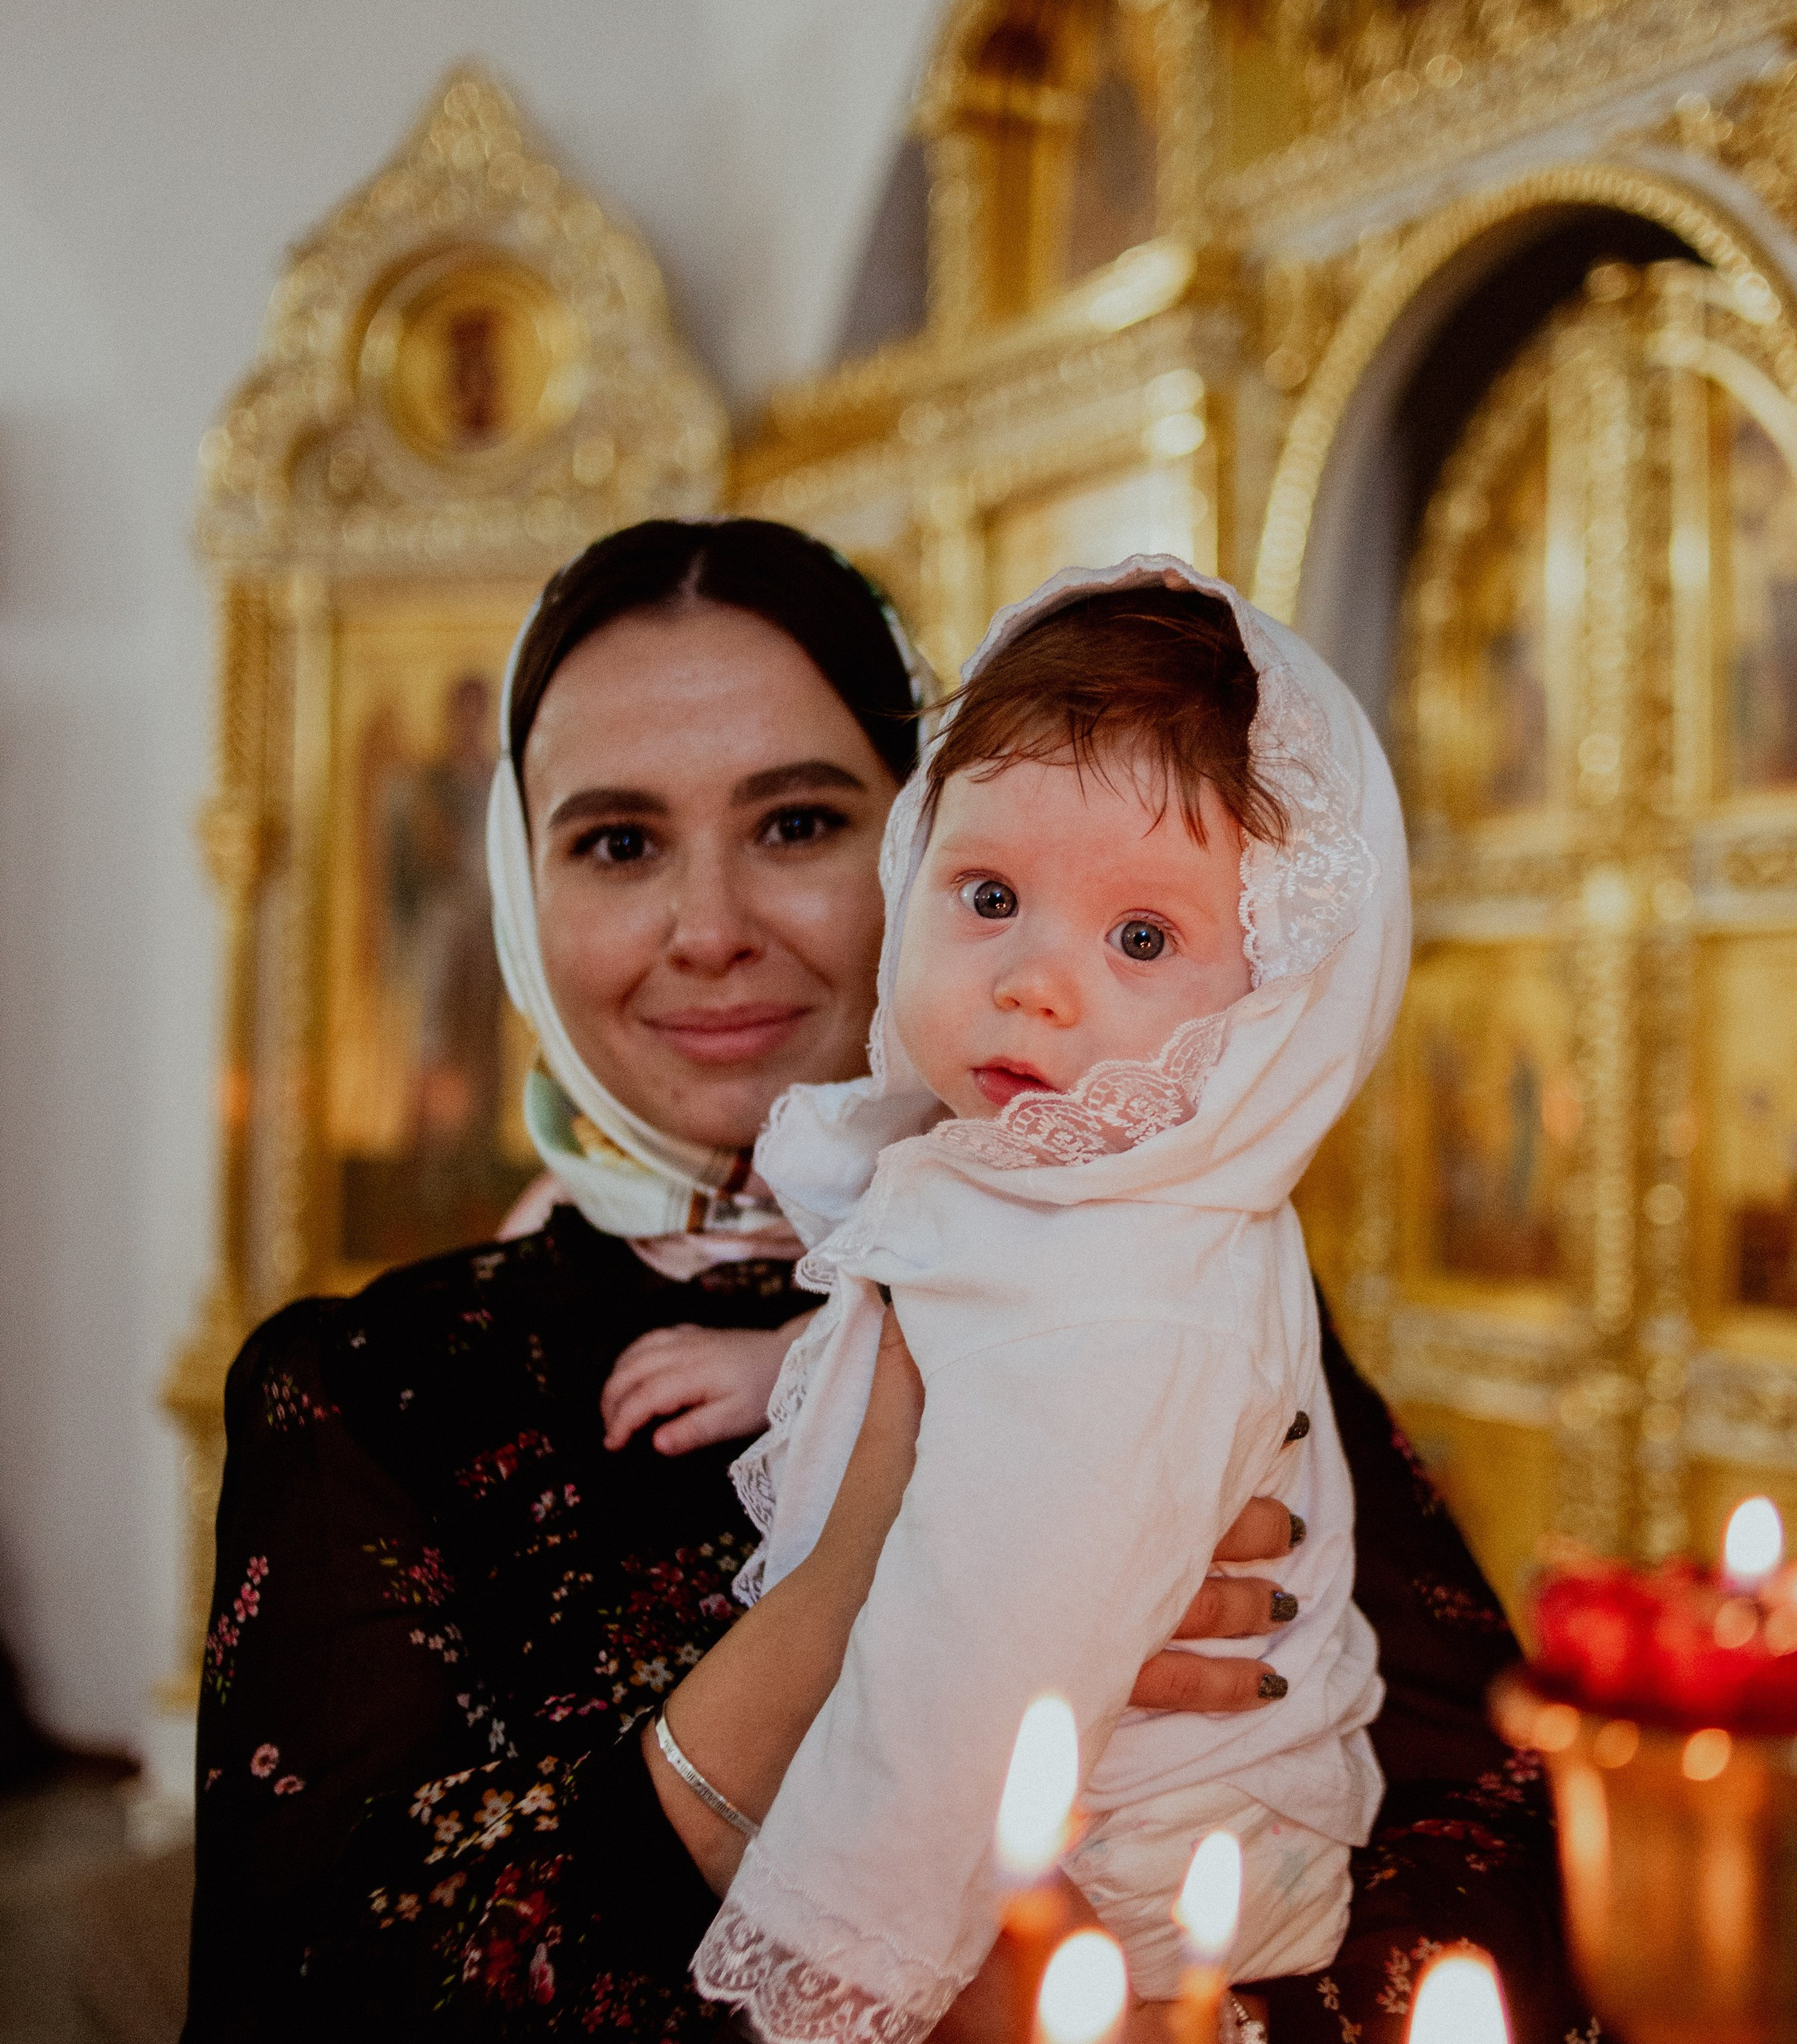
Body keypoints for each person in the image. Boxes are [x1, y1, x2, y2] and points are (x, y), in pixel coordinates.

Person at [185, 518, 1583, 2042]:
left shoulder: (1174, 1254)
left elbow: (1504, 1839)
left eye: (797, 825)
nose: (711, 931)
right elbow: (323, 1998)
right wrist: (859, 1566)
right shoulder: (373, 1393)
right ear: (519, 894)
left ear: (910, 831)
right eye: (617, 843)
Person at [683, 563, 1402, 2040]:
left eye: (1143, 939)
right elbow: (941, 1332)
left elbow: (976, 1659)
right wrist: (785, 1369)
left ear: (1271, 1006)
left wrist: (833, 1969)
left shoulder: (1139, 1300)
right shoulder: (1054, 1192)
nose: (1034, 984)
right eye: (990, 896)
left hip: (1127, 1881)